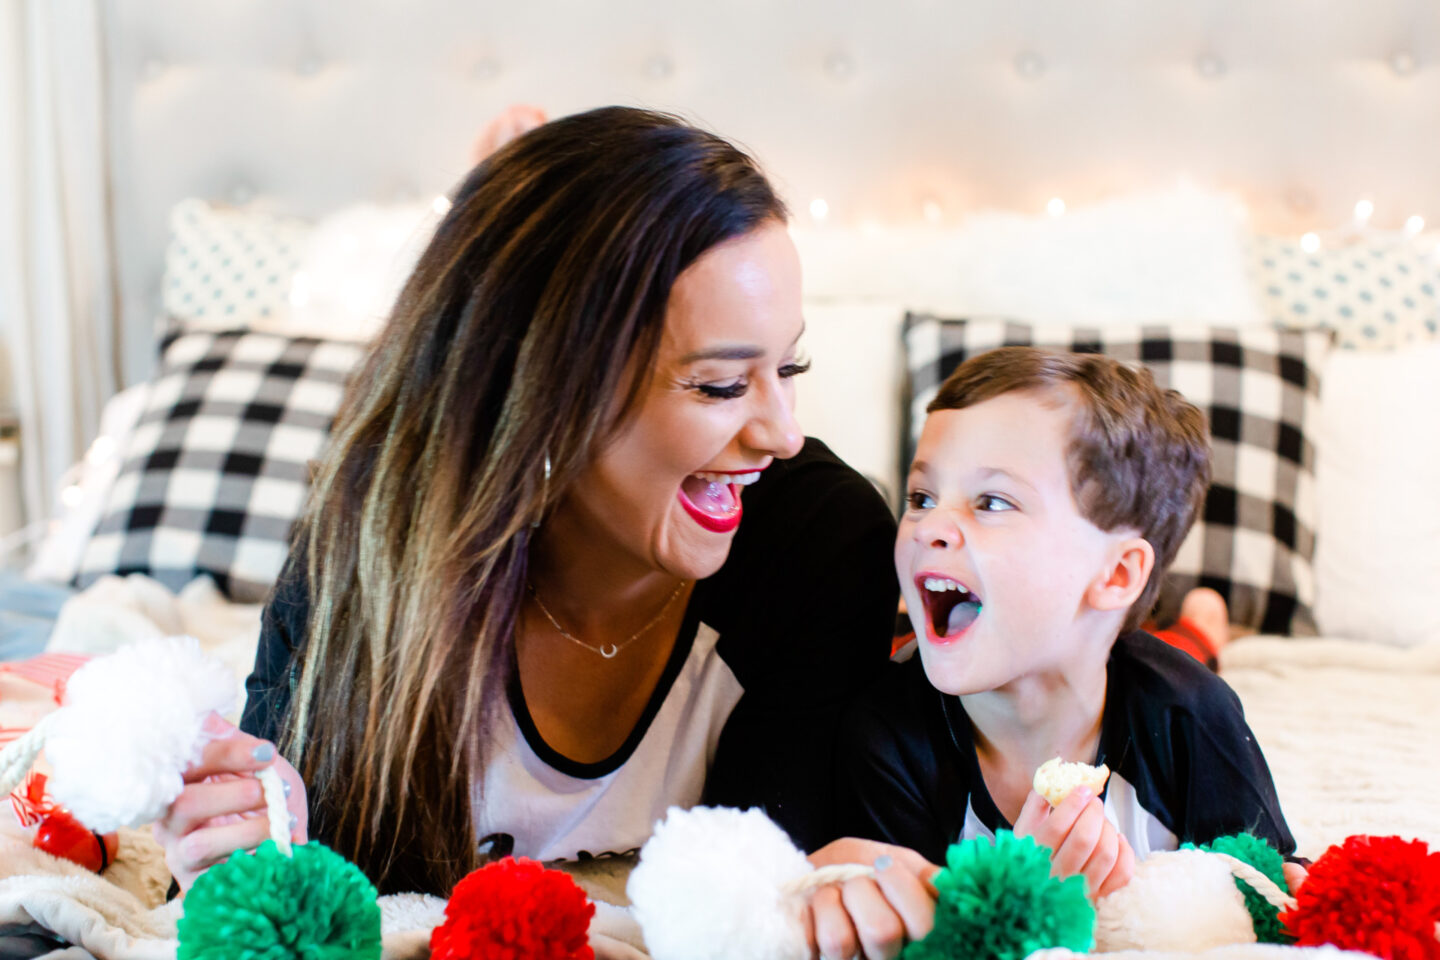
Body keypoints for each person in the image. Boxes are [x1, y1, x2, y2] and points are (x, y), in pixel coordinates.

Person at [152, 106, 934, 959]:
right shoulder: (375, 541)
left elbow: (771, 900)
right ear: (544, 391)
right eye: (718, 386)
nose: (780, 432)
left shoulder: (819, 543)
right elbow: (293, 888)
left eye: (789, 369)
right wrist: (228, 860)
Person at [837, 346, 1299, 900]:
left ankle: (1203, 625)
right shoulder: (885, 733)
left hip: (1133, 651)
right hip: (947, 619)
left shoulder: (1189, 714)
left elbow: (1269, 887)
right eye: (921, 496)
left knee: (1183, 650)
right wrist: (1019, 895)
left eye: (992, 501)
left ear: (1117, 572)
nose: (931, 525)